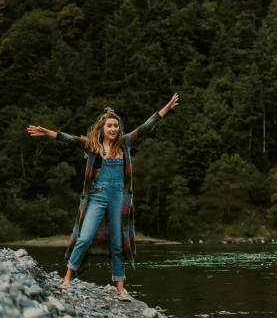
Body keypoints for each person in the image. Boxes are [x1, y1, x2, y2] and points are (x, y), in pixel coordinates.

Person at [26, 94, 180, 301]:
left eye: (116, 126)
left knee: (118, 243)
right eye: (110, 126)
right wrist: (47, 133)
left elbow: (145, 127)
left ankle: (120, 289)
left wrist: (165, 109)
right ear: (102, 128)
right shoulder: (92, 145)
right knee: (85, 237)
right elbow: (69, 139)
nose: (113, 129)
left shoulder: (124, 144)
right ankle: (68, 277)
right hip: (97, 197)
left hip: (119, 199)